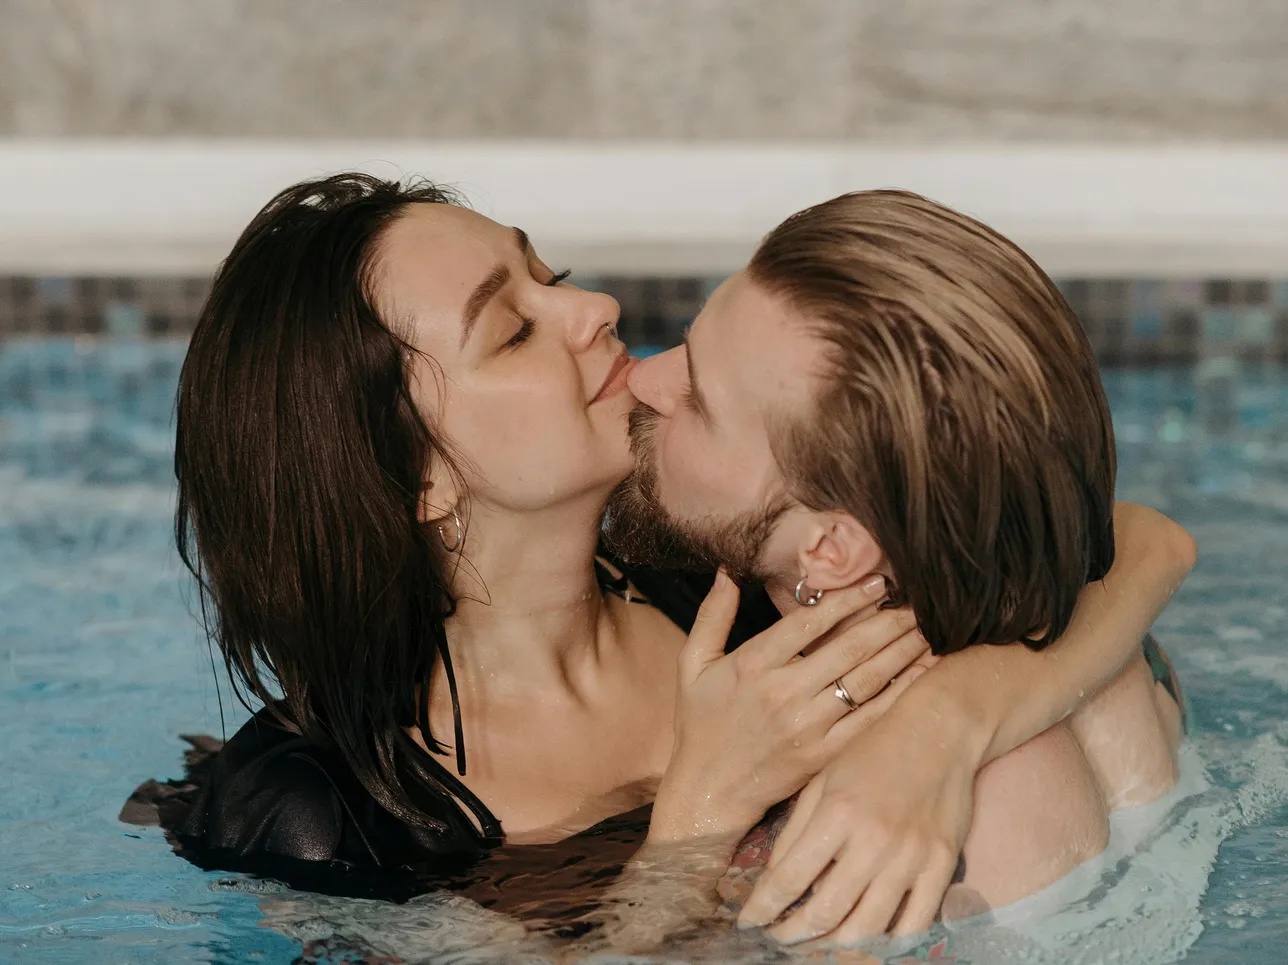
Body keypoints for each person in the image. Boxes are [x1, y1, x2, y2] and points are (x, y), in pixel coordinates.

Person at [135, 174, 1195, 941]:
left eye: (547, 274)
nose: (593, 310)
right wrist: (698, 813)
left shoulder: (710, 572)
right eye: (512, 330)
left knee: (1056, 730)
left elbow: (1131, 542)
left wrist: (949, 715)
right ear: (418, 477)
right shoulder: (320, 812)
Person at [607, 188, 1188, 942]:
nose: (647, 379)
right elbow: (1152, 538)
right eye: (689, 340)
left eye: (701, 403)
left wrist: (693, 825)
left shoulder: (904, 833)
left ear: (831, 549)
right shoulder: (1103, 642)